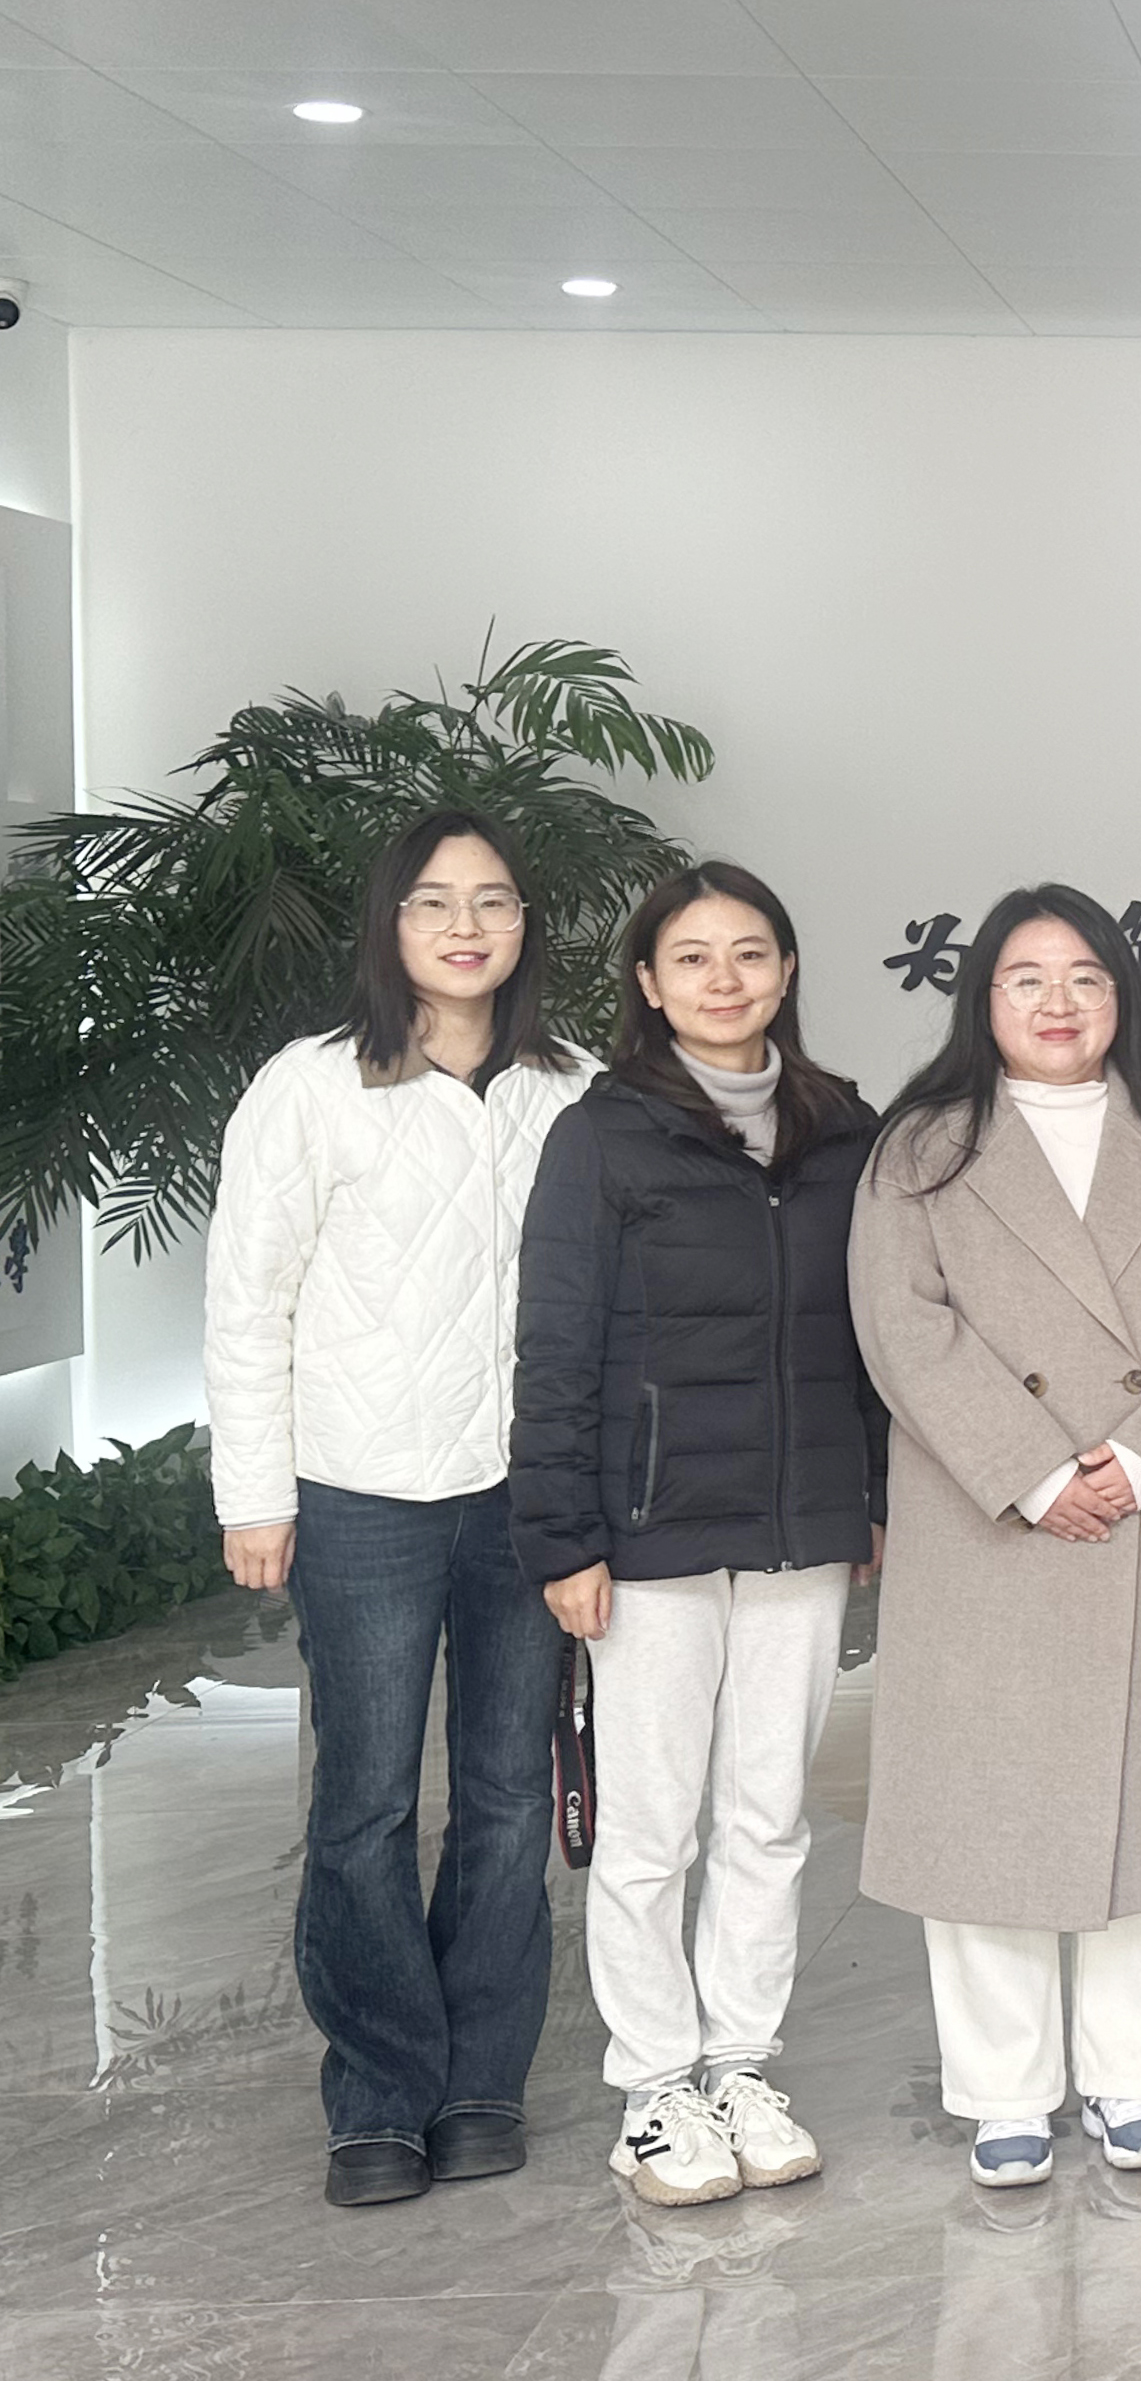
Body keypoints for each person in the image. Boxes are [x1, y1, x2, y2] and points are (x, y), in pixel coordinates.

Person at [848, 886, 1141, 2189]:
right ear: (982, 1001)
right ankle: (1004, 2090)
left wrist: (1139, 1459)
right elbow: (901, 1326)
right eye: (1026, 978)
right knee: (988, 1810)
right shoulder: (920, 1151)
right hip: (988, 1518)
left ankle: (1139, 2076)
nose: (1057, 1002)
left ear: (1122, 997)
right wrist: (1034, 1471)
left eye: (1085, 977)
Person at [202, 808, 594, 2208]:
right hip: (360, 1491)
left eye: (493, 900)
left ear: (525, 925)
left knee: (508, 1795)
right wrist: (254, 1493)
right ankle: (378, 2094)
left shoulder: (573, 1089)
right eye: (435, 901)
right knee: (364, 1803)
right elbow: (247, 1298)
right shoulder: (311, 1086)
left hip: (527, 1497)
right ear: (391, 924)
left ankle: (481, 2081)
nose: (466, 925)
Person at [511, 862, 886, 2208]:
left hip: (801, 1523)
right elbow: (553, 1348)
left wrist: (873, 1496)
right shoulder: (602, 1136)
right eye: (693, 957)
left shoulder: (845, 1131)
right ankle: (656, 2091)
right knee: (651, 1827)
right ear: (649, 983)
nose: (724, 979)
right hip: (649, 1529)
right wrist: (562, 1537)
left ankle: (739, 2065)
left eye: (750, 953)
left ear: (785, 972)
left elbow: (877, 1334)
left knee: (769, 1816)